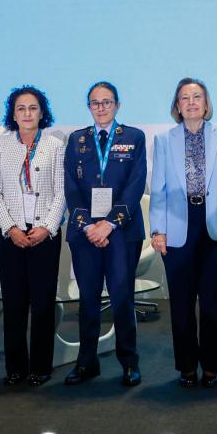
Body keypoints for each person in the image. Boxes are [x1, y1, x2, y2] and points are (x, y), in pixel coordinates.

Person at [150, 78, 217, 388]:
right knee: (181, 303)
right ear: (177, 106)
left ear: (206, 103)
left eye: (197, 97)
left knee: (214, 302)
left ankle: (212, 366)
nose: (191, 102)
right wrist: (158, 229)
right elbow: (158, 188)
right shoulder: (164, 140)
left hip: (216, 226)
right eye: (185, 98)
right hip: (178, 225)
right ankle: (187, 367)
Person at [63, 81, 147, 387]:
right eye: (95, 103)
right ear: (89, 107)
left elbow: (136, 184)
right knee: (87, 300)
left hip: (122, 232)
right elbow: (71, 187)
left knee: (122, 298)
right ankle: (87, 363)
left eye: (107, 102)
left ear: (117, 105)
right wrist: (88, 225)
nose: (101, 108)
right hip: (85, 234)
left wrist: (110, 223)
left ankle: (129, 362)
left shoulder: (134, 138)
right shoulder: (76, 140)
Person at [0, 85, 66, 387]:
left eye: (33, 108)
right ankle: (15, 368)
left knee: (43, 304)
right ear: (13, 114)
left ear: (41, 112)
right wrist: (11, 228)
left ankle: (41, 367)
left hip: (45, 235)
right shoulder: (2, 146)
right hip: (11, 236)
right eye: (21, 108)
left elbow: (61, 192)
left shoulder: (55, 146)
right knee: (14, 304)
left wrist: (46, 226)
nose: (27, 113)